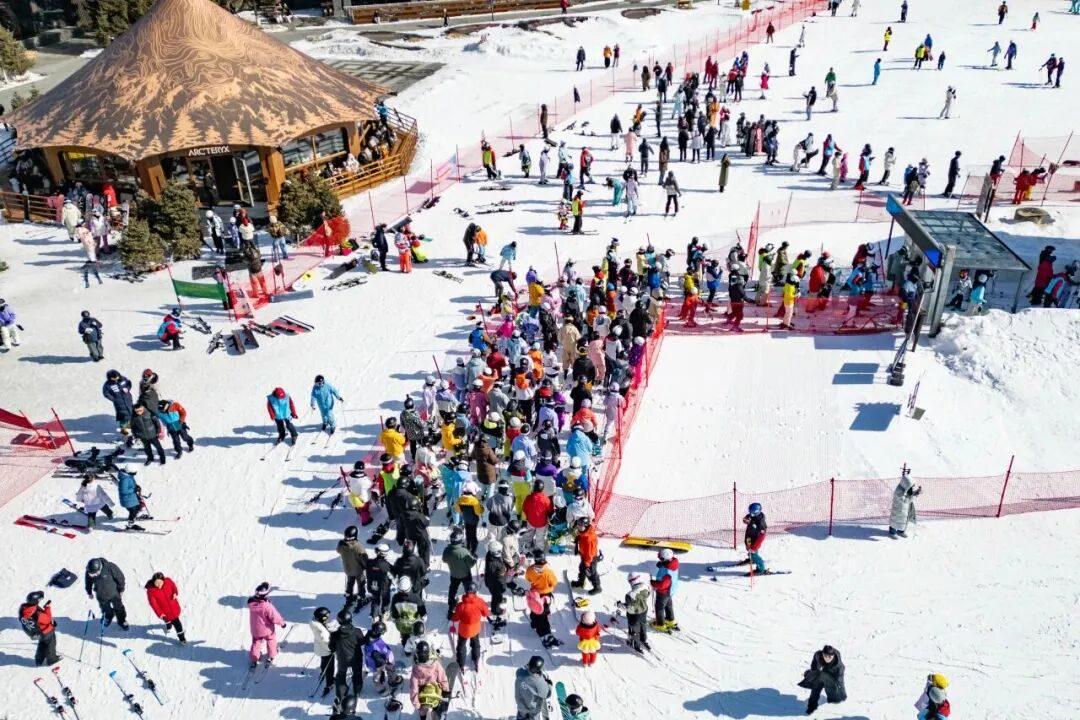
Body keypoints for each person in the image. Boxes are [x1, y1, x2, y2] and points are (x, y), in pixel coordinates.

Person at [248, 582, 286, 669]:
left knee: (256, 642)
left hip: (255, 630)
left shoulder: (251, 604)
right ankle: (271, 655)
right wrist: (282, 623)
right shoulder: (267, 606)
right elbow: (275, 617)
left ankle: (254, 658)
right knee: (271, 640)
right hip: (267, 630)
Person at [330, 609, 365, 703]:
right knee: (357, 673)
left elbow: (332, 647)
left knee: (341, 675)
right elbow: (362, 642)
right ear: (350, 620)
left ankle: (341, 695)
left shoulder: (334, 635)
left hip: (343, 659)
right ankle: (357, 690)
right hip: (356, 658)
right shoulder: (357, 631)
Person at [449, 589, 489, 671]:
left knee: (461, 646)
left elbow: (455, 618)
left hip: (464, 630)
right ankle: (476, 659)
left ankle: (461, 664)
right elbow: (486, 613)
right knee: (476, 644)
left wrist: (451, 615)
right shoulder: (480, 601)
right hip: (475, 629)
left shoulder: (461, 605)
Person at [799, 645, 847, 714]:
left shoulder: (839, 667)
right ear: (822, 654)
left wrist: (842, 695)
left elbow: (840, 682)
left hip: (833, 681)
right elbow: (814, 670)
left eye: (830, 656)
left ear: (833, 656)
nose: (827, 658)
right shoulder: (818, 656)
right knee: (817, 681)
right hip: (824, 675)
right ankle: (812, 705)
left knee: (835, 700)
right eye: (825, 656)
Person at [409, 640, 449, 718]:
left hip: (423, 695)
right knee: (436, 702)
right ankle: (436, 712)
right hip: (435, 691)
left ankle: (423, 716)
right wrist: (445, 691)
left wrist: (417, 705)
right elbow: (442, 677)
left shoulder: (415, 670)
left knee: (422, 709)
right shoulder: (436, 664)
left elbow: (414, 689)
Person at [86, 557, 128, 630]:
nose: (94, 575)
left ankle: (122, 620)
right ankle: (109, 616)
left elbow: (120, 577)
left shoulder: (110, 567)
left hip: (114, 593)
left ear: (100, 568)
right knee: (105, 608)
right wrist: (89, 592)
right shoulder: (90, 571)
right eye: (92, 574)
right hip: (101, 595)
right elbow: (88, 582)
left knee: (119, 607)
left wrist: (121, 589)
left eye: (96, 574)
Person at [145, 572, 187, 644]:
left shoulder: (168, 581)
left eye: (160, 582)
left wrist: (175, 592)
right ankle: (169, 626)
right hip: (164, 611)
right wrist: (160, 613)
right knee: (167, 619)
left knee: (177, 624)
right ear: (153, 582)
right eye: (156, 583)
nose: (159, 585)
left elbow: (174, 587)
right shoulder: (151, 591)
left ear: (163, 580)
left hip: (174, 607)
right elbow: (153, 604)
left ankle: (182, 638)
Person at [19, 591, 59, 666]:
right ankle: (52, 659)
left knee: (42, 643)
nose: (40, 600)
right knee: (51, 644)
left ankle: (39, 660)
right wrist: (47, 607)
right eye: (39, 599)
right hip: (45, 631)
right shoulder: (37, 614)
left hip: (37, 632)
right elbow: (47, 619)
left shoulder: (25, 608)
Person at [309, 607, 338, 697]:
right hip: (326, 650)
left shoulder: (317, 624)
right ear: (322, 618)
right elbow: (326, 642)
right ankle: (329, 683)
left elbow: (324, 629)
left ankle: (322, 672)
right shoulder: (321, 632)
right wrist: (332, 649)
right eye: (326, 617)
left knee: (324, 661)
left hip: (320, 648)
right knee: (330, 667)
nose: (328, 618)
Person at [515, 656, 553, 720]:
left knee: (521, 715)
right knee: (534, 717)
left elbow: (519, 671)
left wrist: (528, 666)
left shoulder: (520, 673)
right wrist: (549, 684)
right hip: (533, 708)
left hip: (521, 706)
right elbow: (547, 694)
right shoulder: (540, 683)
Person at [649, 548, 679, 631]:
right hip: (670, 590)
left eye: (661, 559)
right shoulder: (672, 564)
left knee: (659, 607)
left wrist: (653, 583)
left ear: (665, 559)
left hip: (664, 592)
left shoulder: (667, 573)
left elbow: (662, 585)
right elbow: (665, 566)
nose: (660, 559)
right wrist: (661, 564)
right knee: (668, 605)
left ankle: (660, 624)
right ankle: (670, 620)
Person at [889, 466, 921, 537]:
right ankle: (892, 532)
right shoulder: (899, 491)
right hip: (898, 510)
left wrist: (916, 492)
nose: (911, 488)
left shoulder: (906, 489)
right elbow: (906, 500)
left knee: (903, 520)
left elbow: (909, 496)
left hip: (904, 510)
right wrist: (915, 495)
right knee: (895, 520)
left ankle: (901, 531)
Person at [743, 502, 767, 574]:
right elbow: (747, 518)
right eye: (750, 512)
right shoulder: (753, 515)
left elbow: (762, 536)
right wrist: (745, 520)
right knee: (748, 548)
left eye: (752, 513)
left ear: (757, 512)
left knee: (753, 553)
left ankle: (761, 569)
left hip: (755, 540)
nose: (750, 514)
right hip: (749, 537)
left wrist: (754, 547)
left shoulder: (761, 523)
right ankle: (752, 558)